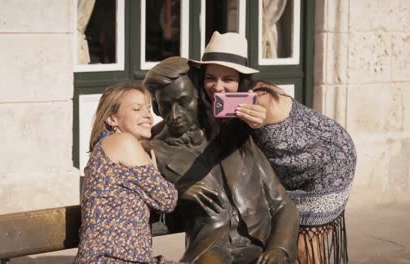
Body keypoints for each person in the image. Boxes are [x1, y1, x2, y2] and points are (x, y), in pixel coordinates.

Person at [190, 31, 357, 264]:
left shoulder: (258, 98)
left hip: (328, 161)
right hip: (290, 167)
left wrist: (257, 120)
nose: (218, 86)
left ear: (240, 78)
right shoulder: (214, 99)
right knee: (285, 235)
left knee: (305, 246)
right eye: (211, 77)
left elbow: (258, 114)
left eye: (227, 79)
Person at [143, 56, 299, 264]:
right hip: (209, 254)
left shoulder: (234, 135)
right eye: (165, 105)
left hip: (263, 249)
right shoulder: (151, 152)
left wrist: (280, 249)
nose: (174, 115)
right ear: (155, 106)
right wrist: (176, 192)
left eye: (183, 102)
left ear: (199, 95)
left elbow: (282, 205)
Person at [74, 83, 178, 264]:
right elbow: (167, 199)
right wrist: (152, 166)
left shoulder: (107, 146)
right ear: (112, 119)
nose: (148, 115)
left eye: (147, 109)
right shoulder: (123, 142)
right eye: (137, 109)